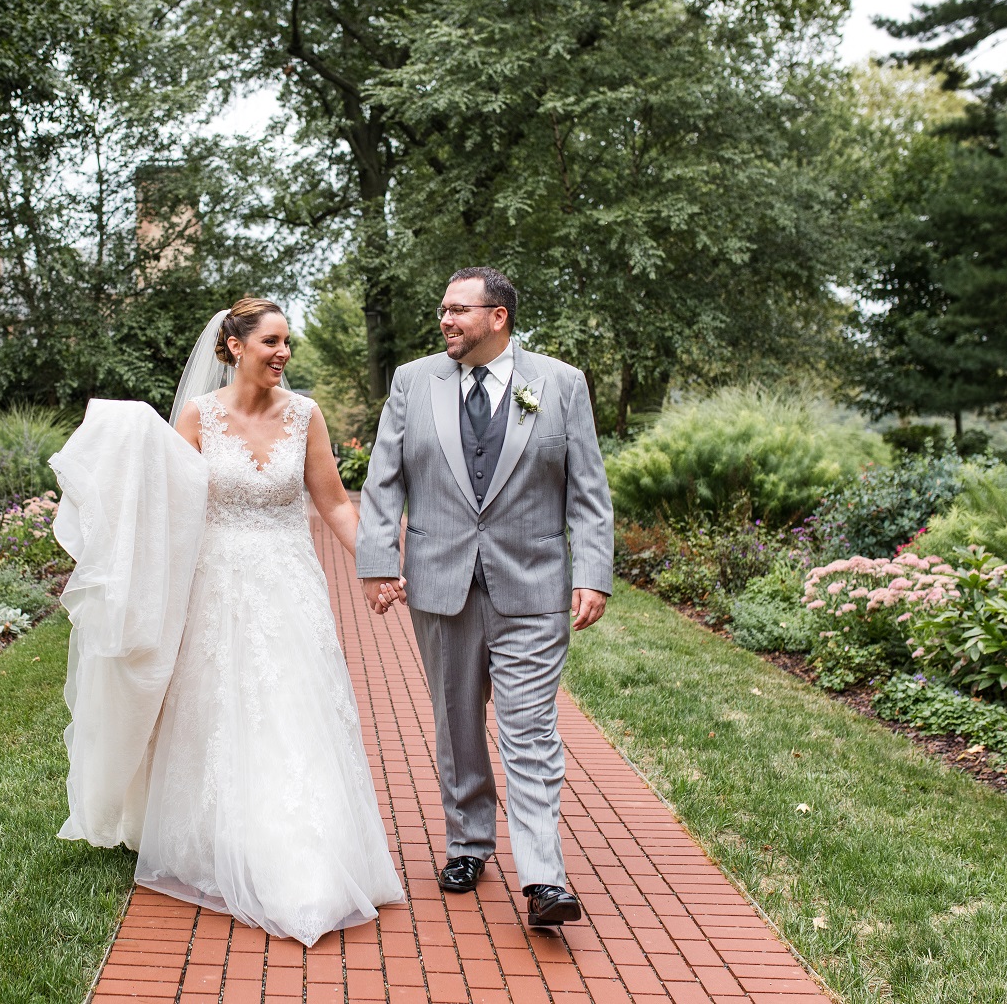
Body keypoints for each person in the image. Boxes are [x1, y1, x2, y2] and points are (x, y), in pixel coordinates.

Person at [52, 298, 404, 947]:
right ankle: (220, 838)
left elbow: (333, 504)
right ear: (235, 345)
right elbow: (163, 501)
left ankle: (306, 855)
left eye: (288, 343)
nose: (284, 354)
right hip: (214, 585)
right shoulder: (198, 417)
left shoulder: (306, 415)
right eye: (272, 341)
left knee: (293, 712)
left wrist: (380, 565)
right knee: (218, 714)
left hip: (290, 584)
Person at [355, 267, 613, 927]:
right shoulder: (414, 381)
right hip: (441, 583)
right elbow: (384, 479)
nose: (444, 320)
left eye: (457, 310)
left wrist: (593, 571)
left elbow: (587, 490)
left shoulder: (560, 383)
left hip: (533, 585)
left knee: (529, 728)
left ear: (497, 317)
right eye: (442, 309)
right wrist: (379, 561)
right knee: (458, 721)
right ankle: (470, 842)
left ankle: (543, 877)